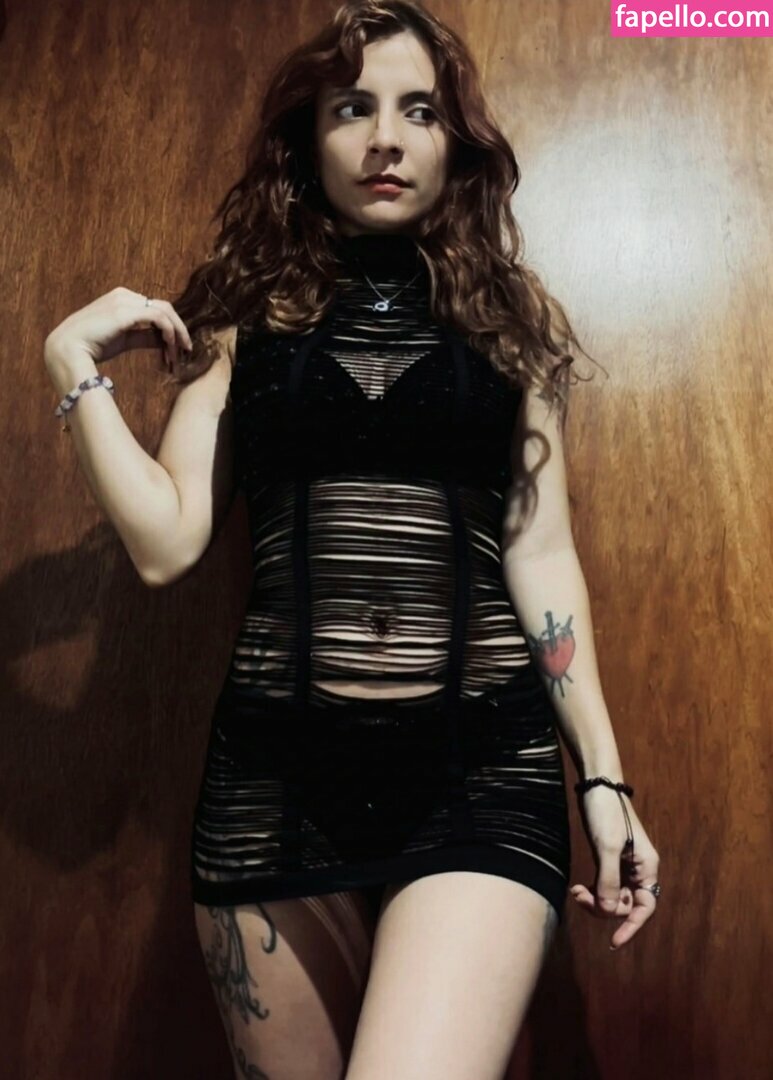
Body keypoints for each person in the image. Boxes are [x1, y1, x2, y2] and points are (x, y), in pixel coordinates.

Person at [44, 2, 661, 1077]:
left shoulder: (508, 326)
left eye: (418, 110)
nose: (384, 137)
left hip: (480, 771)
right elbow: (164, 544)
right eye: (351, 108)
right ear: (309, 137)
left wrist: (602, 780)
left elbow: (538, 552)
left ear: (452, 142)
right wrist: (74, 369)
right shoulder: (239, 323)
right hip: (272, 784)